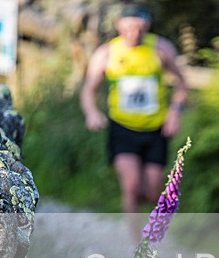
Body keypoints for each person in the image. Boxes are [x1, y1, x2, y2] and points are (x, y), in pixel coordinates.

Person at [80, 4, 187, 214]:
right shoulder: (106, 53)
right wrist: (92, 112)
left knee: (151, 192)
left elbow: (182, 83)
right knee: (131, 186)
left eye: (139, 29)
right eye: (129, 28)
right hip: (122, 128)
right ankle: (135, 243)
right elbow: (88, 89)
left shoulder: (161, 48)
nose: (134, 33)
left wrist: (174, 113)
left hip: (156, 128)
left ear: (146, 26)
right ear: (118, 25)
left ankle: (153, 235)